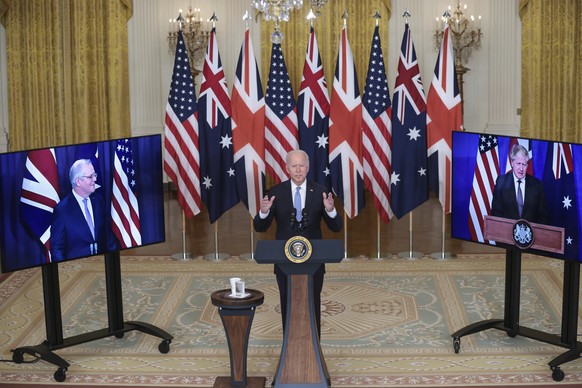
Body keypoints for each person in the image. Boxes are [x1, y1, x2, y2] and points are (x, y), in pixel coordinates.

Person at [253, 149, 342, 336]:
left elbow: (336, 227)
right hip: (284, 261)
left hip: (314, 260)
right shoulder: (277, 192)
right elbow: (260, 227)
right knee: (287, 302)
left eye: (302, 165)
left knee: (312, 302)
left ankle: (314, 347)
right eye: (294, 166)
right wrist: (264, 212)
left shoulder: (320, 192)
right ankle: (289, 344)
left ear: (308, 168)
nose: (298, 169)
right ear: (287, 168)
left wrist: (331, 210)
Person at [50, 159, 118, 261]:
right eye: (90, 177)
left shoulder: (99, 201)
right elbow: (57, 250)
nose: (94, 179)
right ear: (78, 181)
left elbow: (109, 238)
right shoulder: (62, 210)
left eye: (95, 175)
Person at [491, 143, 549, 224]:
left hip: (531, 235)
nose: (521, 169)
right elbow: (496, 214)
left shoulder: (537, 185)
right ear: (512, 163)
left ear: (527, 165)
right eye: (518, 163)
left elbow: (543, 216)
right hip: (506, 233)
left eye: (524, 164)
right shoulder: (501, 182)